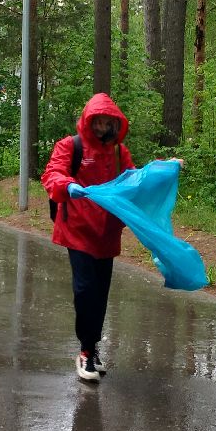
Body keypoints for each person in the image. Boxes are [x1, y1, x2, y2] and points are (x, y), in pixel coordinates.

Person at [41, 92, 135, 384]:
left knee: (100, 294)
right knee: (85, 291)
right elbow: (52, 173)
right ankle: (85, 350)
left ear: (115, 123)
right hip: (78, 230)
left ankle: (92, 348)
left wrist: (165, 169)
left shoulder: (119, 152)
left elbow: (135, 181)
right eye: (97, 122)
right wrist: (67, 185)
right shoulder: (71, 146)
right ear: (88, 121)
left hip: (106, 233)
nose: (101, 128)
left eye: (107, 123)